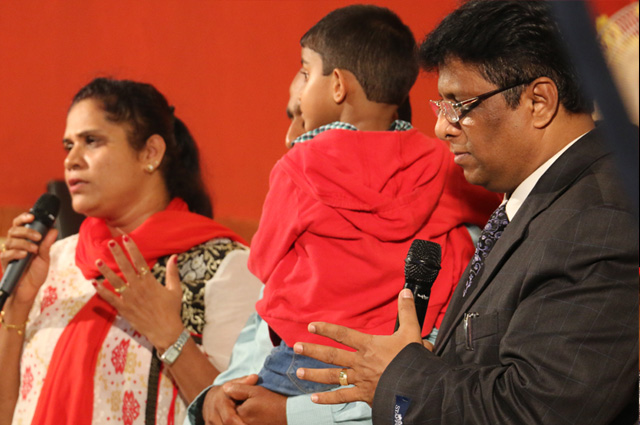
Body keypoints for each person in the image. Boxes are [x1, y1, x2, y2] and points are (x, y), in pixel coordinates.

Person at [293, 1, 639, 424]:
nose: (442, 127)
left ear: (539, 101)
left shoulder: (600, 217)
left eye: (460, 103)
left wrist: (399, 376)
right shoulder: (548, 197)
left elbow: (536, 411)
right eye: (442, 106)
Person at [188, 4, 500, 425]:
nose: (299, 90)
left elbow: (262, 262)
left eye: (305, 71)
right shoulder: (443, 164)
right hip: (402, 365)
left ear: (337, 85)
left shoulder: (300, 167)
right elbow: (492, 214)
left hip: (305, 361)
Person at [0, 78, 261, 425]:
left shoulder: (225, 267)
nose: (72, 160)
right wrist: (17, 307)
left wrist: (170, 335)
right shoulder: (56, 260)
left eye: (92, 141)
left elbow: (240, 417)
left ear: (150, 153)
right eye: (68, 145)